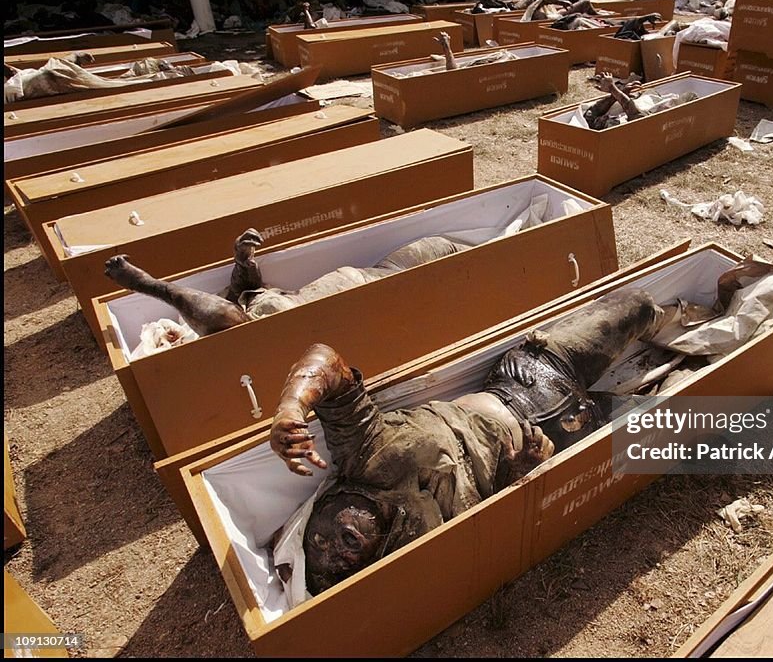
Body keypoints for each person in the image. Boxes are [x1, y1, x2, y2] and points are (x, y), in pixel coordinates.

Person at [267, 288, 664, 596]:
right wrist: (526, 472)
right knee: (688, 415)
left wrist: (290, 407)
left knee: (640, 305)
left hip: (531, 376)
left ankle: (676, 319)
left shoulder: (362, 451)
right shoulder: (424, 548)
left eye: (317, 541)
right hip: (569, 440)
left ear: (317, 509)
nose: (333, 546)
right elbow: (508, 523)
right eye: (342, 559)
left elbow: (326, 361)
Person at [104, 229, 469, 336]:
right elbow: (223, 316)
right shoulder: (245, 325)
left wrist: (242, 258)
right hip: (367, 293)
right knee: (438, 252)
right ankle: (155, 286)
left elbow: (241, 290)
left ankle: (512, 246)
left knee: (436, 245)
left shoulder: (244, 302)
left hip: (360, 275)